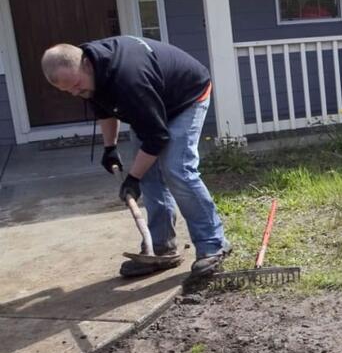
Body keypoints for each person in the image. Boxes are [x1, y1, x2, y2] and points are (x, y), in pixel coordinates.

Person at [41, 36, 229, 281]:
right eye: (70, 91)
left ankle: (213, 244)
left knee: (176, 169)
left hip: (186, 97)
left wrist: (132, 178)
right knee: (149, 174)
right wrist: (110, 147)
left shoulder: (128, 77)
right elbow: (103, 108)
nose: (77, 92)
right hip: (151, 103)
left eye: (76, 85)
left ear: (86, 63)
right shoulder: (89, 76)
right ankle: (161, 248)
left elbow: (157, 137)